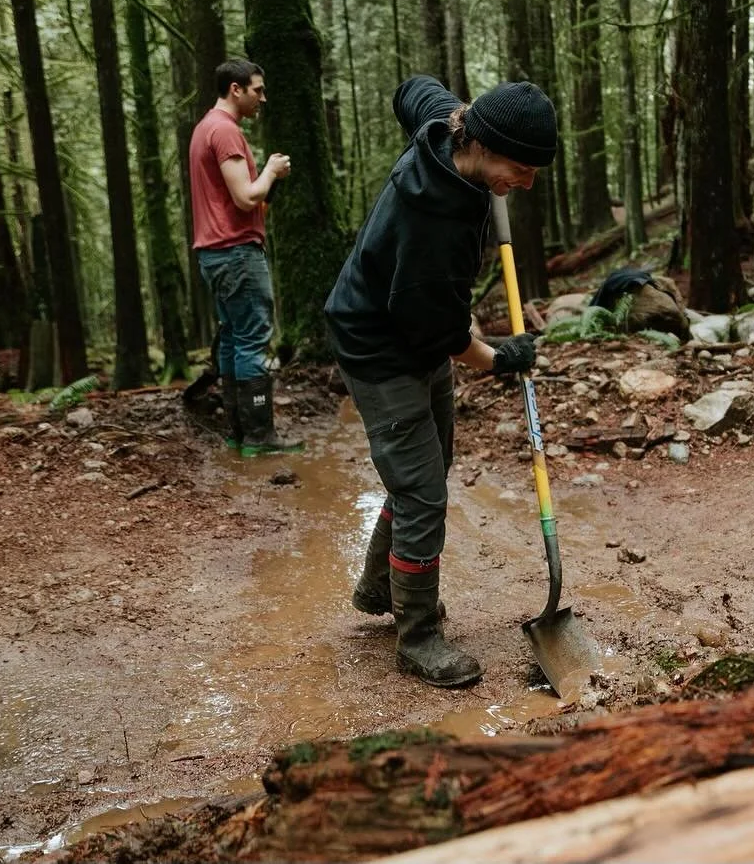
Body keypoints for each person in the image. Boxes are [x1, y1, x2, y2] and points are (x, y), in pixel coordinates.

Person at [325, 75, 555, 688]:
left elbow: (411, 89)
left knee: (430, 466)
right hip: (379, 344)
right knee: (423, 491)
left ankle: (380, 586)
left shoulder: (448, 123)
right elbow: (445, 338)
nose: (526, 184)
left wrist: (461, 109)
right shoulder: (434, 222)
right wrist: (502, 358)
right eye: (520, 168)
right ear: (479, 144)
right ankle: (418, 635)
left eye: (535, 171)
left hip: (410, 323)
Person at [190, 59, 301, 457]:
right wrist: (270, 171)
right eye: (257, 90)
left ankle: (240, 432)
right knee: (252, 338)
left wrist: (266, 186)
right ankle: (260, 436)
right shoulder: (224, 131)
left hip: (216, 252)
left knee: (235, 340)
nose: (263, 98)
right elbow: (245, 196)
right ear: (235, 89)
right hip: (236, 252)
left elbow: (244, 201)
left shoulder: (206, 127)